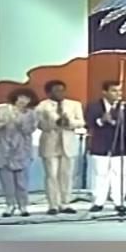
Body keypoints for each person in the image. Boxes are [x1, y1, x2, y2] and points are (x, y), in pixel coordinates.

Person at [84, 80, 126, 212]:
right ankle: (98, 202)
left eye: (119, 91)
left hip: (119, 145)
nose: (118, 94)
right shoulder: (94, 106)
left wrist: (115, 122)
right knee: (100, 174)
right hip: (100, 145)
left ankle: (119, 202)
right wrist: (101, 120)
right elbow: (89, 122)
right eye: (114, 91)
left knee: (118, 174)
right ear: (105, 92)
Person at [36, 80, 85, 215]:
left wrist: (69, 122)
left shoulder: (74, 104)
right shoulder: (42, 106)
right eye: (56, 91)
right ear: (48, 93)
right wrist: (53, 122)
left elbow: (81, 122)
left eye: (62, 90)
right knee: (51, 175)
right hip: (50, 143)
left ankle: (65, 203)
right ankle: (53, 204)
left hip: (67, 144)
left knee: (66, 175)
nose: (60, 93)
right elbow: (40, 125)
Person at [0, 88, 39, 217]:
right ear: (15, 97)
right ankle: (9, 205)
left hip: (21, 148)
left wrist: (21, 124)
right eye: (21, 97)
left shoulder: (32, 114)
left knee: (22, 180)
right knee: (6, 180)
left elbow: (30, 130)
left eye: (27, 98)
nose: (23, 101)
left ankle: (23, 206)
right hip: (2, 147)